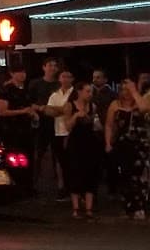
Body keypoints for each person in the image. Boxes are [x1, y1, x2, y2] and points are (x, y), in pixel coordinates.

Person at [106, 81, 150, 219]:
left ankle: (140, 207)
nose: (126, 92)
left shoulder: (141, 101)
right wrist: (108, 143)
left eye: (128, 89)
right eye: (124, 89)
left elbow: (145, 108)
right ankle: (128, 206)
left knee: (139, 176)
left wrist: (135, 92)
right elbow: (109, 125)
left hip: (140, 144)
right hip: (122, 143)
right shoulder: (115, 104)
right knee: (125, 175)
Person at [0, 65, 42, 191]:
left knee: (29, 156)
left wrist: (34, 111)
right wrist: (22, 111)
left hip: (26, 130)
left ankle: (28, 185)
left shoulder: (26, 90)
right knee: (14, 156)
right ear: (12, 74)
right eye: (19, 72)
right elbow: (1, 111)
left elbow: (29, 104)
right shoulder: (6, 91)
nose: (22, 75)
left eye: (24, 72)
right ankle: (15, 184)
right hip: (11, 130)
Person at [63, 83, 104, 220]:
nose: (89, 94)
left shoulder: (93, 106)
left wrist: (93, 121)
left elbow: (97, 126)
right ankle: (75, 208)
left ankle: (89, 208)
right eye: (87, 91)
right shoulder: (70, 105)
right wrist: (76, 116)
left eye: (91, 92)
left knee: (90, 174)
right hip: (75, 143)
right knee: (75, 173)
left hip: (90, 143)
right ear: (79, 92)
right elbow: (67, 126)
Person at [30, 59, 62, 192]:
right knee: (38, 153)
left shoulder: (59, 84)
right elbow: (28, 102)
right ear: (44, 67)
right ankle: (34, 184)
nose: (53, 68)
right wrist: (39, 108)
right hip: (41, 123)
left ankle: (61, 185)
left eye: (55, 66)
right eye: (50, 65)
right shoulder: (36, 84)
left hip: (56, 122)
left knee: (59, 155)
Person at [44, 68, 76, 200]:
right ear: (59, 79)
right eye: (63, 76)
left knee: (72, 161)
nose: (66, 79)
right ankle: (62, 186)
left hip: (72, 131)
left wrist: (58, 110)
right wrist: (63, 109)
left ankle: (73, 187)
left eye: (68, 77)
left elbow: (73, 110)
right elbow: (48, 111)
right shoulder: (55, 95)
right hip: (58, 131)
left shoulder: (75, 93)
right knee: (60, 161)